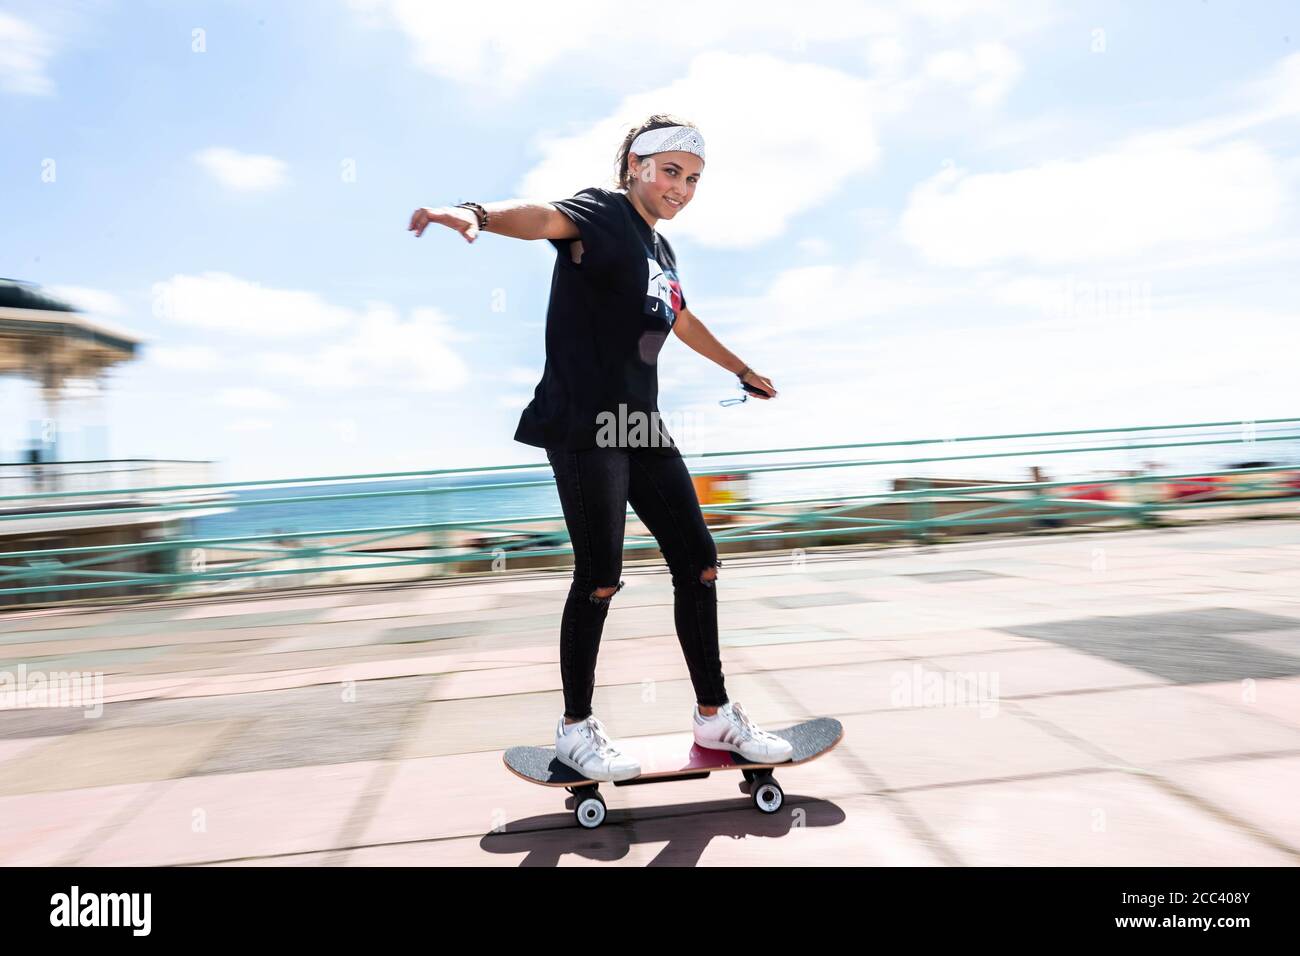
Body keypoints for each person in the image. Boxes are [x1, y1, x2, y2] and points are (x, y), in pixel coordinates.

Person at [408, 114, 794, 782]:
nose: (681, 188)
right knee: (600, 575)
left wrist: (740, 369)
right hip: (583, 422)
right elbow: (541, 218)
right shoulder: (605, 212)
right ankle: (576, 731)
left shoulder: (662, 253)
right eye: (670, 171)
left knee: (699, 562)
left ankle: (715, 717)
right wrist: (474, 214)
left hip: (640, 426)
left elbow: (682, 319)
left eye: (694, 179)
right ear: (635, 167)